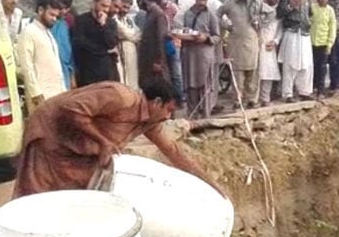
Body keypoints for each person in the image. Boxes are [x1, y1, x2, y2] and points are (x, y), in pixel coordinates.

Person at [13, 78, 223, 198]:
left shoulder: (150, 122)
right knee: (37, 194)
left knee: (78, 193)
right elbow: (72, 109)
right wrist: (102, 141)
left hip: (78, 150)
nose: (168, 117)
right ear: (156, 102)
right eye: (168, 110)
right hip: (51, 134)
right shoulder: (120, 97)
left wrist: (210, 184)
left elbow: (173, 152)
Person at [17, 0, 67, 113]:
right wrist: (36, 94)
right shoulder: (29, 32)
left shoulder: (48, 33)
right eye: (51, 15)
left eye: (56, 16)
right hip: (41, 96)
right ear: (40, 10)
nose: (54, 19)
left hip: (56, 93)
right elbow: (26, 66)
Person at [218, 0, 261, 107]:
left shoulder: (255, 3)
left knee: (252, 72)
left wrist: (258, 21)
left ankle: (252, 99)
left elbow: (267, 15)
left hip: (252, 41)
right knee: (237, 74)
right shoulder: (229, 3)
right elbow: (216, 15)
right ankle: (237, 100)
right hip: (235, 42)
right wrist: (225, 25)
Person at [182, 0, 221, 118]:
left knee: (205, 85)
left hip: (205, 54)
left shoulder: (211, 15)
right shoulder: (187, 14)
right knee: (191, 84)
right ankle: (192, 114)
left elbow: (217, 36)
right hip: (190, 54)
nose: (202, 2)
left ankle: (206, 114)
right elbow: (185, 31)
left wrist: (206, 38)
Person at [278, 0, 315, 102]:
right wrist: (290, 6)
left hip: (304, 32)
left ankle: (304, 91)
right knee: (290, 64)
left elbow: (310, 12)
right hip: (291, 31)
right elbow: (280, 12)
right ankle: (288, 93)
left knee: (306, 64)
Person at [73, 0, 120, 87]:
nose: (105, 10)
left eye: (107, 7)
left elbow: (112, 43)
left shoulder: (110, 23)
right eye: (103, 5)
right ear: (94, 3)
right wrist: (103, 51)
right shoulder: (81, 20)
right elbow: (80, 42)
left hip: (107, 73)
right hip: (87, 73)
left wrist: (103, 24)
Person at [258, 0, 284, 106]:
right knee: (256, 73)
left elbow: (280, 29)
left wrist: (275, 41)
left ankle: (265, 99)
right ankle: (253, 100)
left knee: (268, 72)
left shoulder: (279, 10)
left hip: (270, 44)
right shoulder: (257, 5)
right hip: (257, 43)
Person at [138, 0, 171, 88]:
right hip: (148, 58)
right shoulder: (150, 13)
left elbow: (161, 39)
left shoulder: (158, 14)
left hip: (155, 60)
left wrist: (159, 62)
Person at [310, 0, 336, 100]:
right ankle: (311, 89)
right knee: (311, 67)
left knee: (322, 68)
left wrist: (329, 44)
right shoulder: (312, 8)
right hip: (311, 43)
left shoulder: (330, 11)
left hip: (324, 44)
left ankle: (321, 91)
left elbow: (332, 28)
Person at [114, 0, 141, 91]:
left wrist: (132, 35)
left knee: (133, 79)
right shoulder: (114, 19)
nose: (125, 10)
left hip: (131, 54)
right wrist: (132, 35)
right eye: (124, 7)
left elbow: (137, 34)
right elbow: (128, 34)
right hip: (120, 52)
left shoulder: (128, 20)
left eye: (128, 8)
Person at [50, 0, 75, 90]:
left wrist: (72, 76)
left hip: (65, 74)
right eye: (60, 8)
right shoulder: (44, 25)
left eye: (66, 8)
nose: (63, 11)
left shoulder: (65, 24)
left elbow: (69, 54)